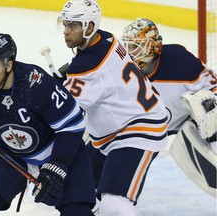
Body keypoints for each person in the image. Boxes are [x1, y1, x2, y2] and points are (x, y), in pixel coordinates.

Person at [0, 32, 96, 216]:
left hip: (58, 151)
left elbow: (72, 126)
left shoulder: (35, 83)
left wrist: (58, 166)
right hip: (14, 154)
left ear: (9, 64)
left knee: (77, 212)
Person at [56, 1, 168, 215]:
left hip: (138, 131)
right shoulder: (106, 39)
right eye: (65, 25)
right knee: (76, 188)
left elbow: (67, 112)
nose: (66, 32)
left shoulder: (86, 66)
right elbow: (101, 75)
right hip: (114, 132)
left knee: (114, 204)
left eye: (73, 26)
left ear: (89, 27)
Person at [120, 18, 217, 196]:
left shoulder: (180, 61)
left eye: (136, 46)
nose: (130, 53)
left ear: (153, 47)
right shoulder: (120, 68)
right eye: (128, 46)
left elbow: (214, 88)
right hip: (145, 130)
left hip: (187, 119)